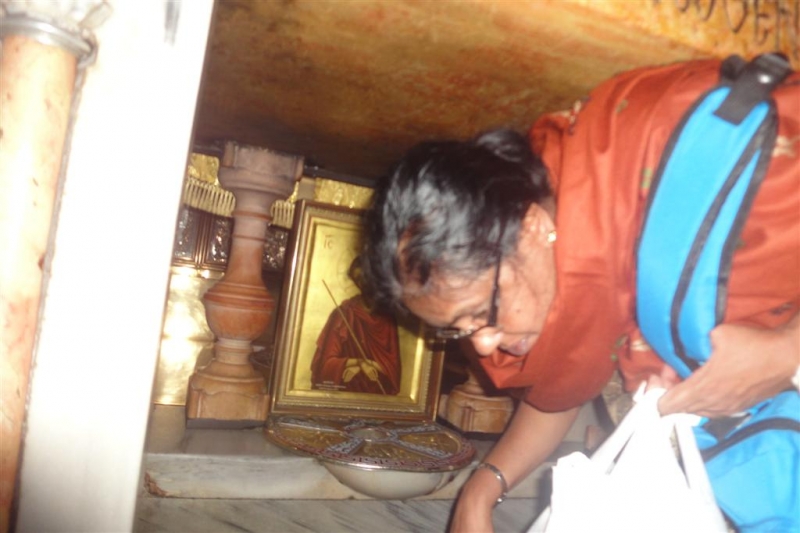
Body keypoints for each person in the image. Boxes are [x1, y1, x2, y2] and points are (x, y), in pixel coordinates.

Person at [359, 57, 799, 532]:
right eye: (457, 330)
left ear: (531, 227)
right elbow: (568, 374)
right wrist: (480, 492)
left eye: (483, 313)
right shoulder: (565, 225)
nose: (483, 346)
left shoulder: (689, 150)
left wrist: (786, 350)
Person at [310, 258, 402, 395]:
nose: (364, 284)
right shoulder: (343, 314)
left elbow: (393, 371)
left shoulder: (387, 317)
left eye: (367, 277)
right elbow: (325, 366)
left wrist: (368, 365)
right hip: (344, 393)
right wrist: (359, 363)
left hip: (378, 397)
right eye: (358, 279)